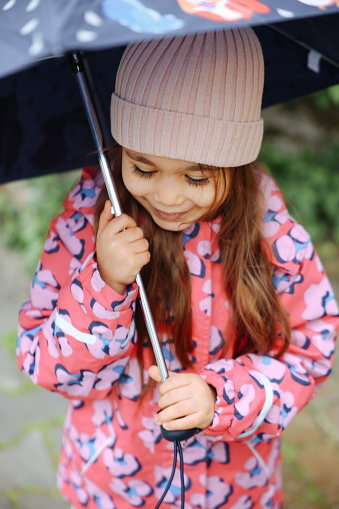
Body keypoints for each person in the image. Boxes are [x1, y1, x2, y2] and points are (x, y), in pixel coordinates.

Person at [17, 27, 338, 509]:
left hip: (234, 489)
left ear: (233, 163)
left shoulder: (270, 231)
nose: (167, 198)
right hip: (114, 485)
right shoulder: (90, 220)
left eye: (195, 176)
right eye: (143, 169)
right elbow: (48, 366)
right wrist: (103, 285)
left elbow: (312, 350)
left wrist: (221, 396)